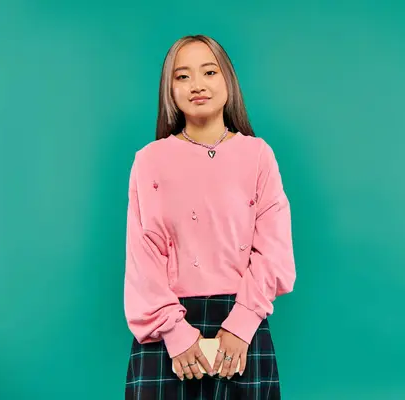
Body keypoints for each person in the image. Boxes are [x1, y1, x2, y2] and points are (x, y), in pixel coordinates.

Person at [123, 34, 296, 399]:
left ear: (228, 81)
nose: (197, 85)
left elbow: (274, 252)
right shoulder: (149, 160)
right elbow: (143, 255)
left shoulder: (258, 155)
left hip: (242, 321)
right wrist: (174, 331)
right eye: (182, 76)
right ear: (169, 90)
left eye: (209, 72)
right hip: (168, 327)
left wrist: (242, 323)